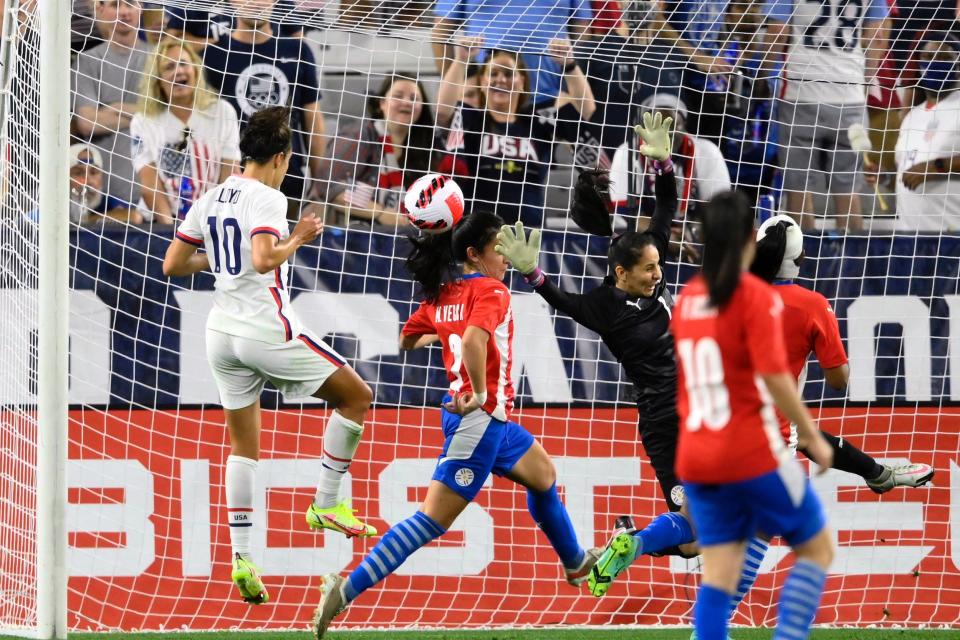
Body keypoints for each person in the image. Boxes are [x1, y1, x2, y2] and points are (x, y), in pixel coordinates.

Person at [311, 209, 600, 638]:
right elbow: (470, 340)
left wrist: (442, 336)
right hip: (478, 419)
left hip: (491, 423)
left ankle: (575, 563)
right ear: (473, 253)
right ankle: (345, 589)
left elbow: (406, 339)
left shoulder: (442, 294)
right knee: (432, 520)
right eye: (497, 248)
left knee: (543, 475)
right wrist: (480, 391)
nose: (505, 256)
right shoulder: (492, 292)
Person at [161, 106, 376, 605]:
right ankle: (325, 503)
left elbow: (174, 263)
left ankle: (241, 557)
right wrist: (298, 236)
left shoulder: (212, 197)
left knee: (243, 448)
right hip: (264, 329)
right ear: (279, 158)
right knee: (356, 397)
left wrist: (220, 255)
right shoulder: (270, 198)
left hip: (220, 334)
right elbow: (263, 258)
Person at [497, 112, 702, 574]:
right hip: (665, 422)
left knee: (699, 536)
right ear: (621, 273)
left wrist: (664, 163)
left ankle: (633, 541)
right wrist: (531, 271)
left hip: (697, 410)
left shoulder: (644, 265)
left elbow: (667, 210)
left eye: (658, 265)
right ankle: (634, 542)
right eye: (649, 270)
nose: (658, 274)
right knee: (694, 539)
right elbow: (559, 298)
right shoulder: (603, 308)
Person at [672, 189, 835, 640]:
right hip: (748, 450)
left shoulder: (689, 297)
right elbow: (776, 377)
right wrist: (811, 435)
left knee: (719, 579)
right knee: (817, 548)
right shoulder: (754, 297)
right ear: (749, 239)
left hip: (698, 457)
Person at [436, 38, 596, 227]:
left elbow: (586, 111)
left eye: (509, 73)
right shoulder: (471, 118)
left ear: (522, 82)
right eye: (493, 73)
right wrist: (460, 60)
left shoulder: (538, 121)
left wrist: (569, 65)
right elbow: (443, 111)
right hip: (476, 230)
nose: (501, 79)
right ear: (481, 82)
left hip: (528, 231)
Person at [765, 0, 890, 232]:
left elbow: (777, 33)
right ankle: (852, 265)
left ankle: (804, 265)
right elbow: (878, 37)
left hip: (801, 94)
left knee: (798, 193)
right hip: (849, 97)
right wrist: (861, 83)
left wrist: (761, 76)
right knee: (849, 192)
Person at [202, 0, 325, 219]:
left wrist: (320, 186)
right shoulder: (213, 54)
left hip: (288, 178)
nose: (256, 3)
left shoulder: (298, 50)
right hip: (232, 181)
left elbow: (313, 119)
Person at [131, 40, 241, 224]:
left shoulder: (223, 111)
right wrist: (172, 236)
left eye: (183, 63)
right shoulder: (142, 121)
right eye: (169, 67)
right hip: (161, 221)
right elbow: (150, 186)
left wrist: (216, 225)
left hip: (212, 220)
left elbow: (229, 176)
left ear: (196, 71)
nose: (178, 71)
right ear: (157, 79)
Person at [608, 94, 730, 258]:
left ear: (685, 125)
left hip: (696, 238)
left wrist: (692, 232)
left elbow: (718, 208)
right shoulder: (626, 153)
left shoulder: (708, 152)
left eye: (673, 125)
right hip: (642, 240)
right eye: (658, 127)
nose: (666, 134)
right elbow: (628, 213)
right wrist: (664, 236)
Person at [431, 0, 592, 112]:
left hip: (551, 99)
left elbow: (582, 33)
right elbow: (440, 33)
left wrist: (572, 89)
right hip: (486, 100)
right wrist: (455, 89)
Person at [317, 75, 434, 227]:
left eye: (414, 98)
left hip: (401, 237)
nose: (406, 102)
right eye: (398, 96)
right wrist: (381, 212)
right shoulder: (360, 135)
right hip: (351, 238)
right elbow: (327, 186)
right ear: (382, 103)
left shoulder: (425, 145)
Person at [72, 0, 151, 206]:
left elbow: (169, 115)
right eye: (115, 5)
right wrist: (146, 114)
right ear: (100, 9)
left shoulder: (160, 58)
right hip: (104, 193)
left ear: (141, 7)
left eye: (130, 4)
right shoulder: (86, 61)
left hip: (156, 188)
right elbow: (87, 123)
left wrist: (116, 109)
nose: (124, 12)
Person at [892, 35, 960, 231]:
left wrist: (937, 166)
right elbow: (905, 170)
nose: (934, 63)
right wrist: (883, 176)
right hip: (909, 241)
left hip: (951, 241)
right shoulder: (912, 116)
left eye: (943, 58)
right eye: (928, 56)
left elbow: (925, 169)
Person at [67, 144, 141, 225]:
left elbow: (135, 217)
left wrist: (88, 221)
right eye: (78, 173)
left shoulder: (108, 202)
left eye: (94, 172)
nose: (88, 180)